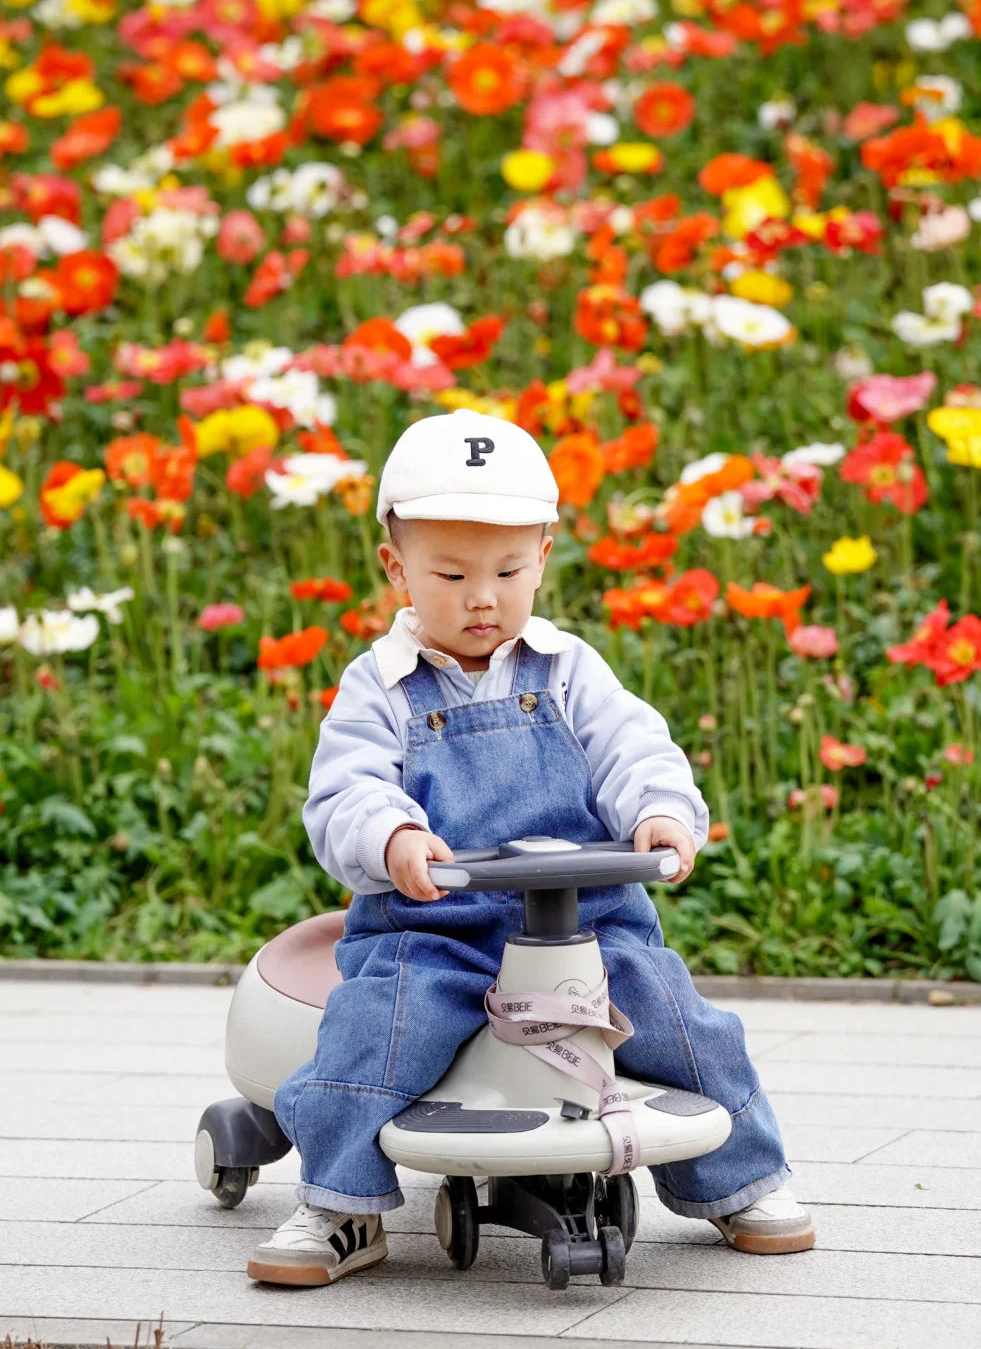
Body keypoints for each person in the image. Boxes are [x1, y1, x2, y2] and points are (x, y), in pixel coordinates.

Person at [249, 410, 813, 1286]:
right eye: (452, 572)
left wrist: (660, 811)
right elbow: (344, 790)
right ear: (395, 566)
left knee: (677, 1013)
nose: (484, 596)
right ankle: (340, 1201)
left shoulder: (570, 671)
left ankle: (739, 1179)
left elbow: (636, 749)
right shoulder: (381, 689)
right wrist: (390, 834)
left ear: (544, 555)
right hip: (436, 928)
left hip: (587, 929)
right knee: (373, 1029)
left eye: (509, 570)